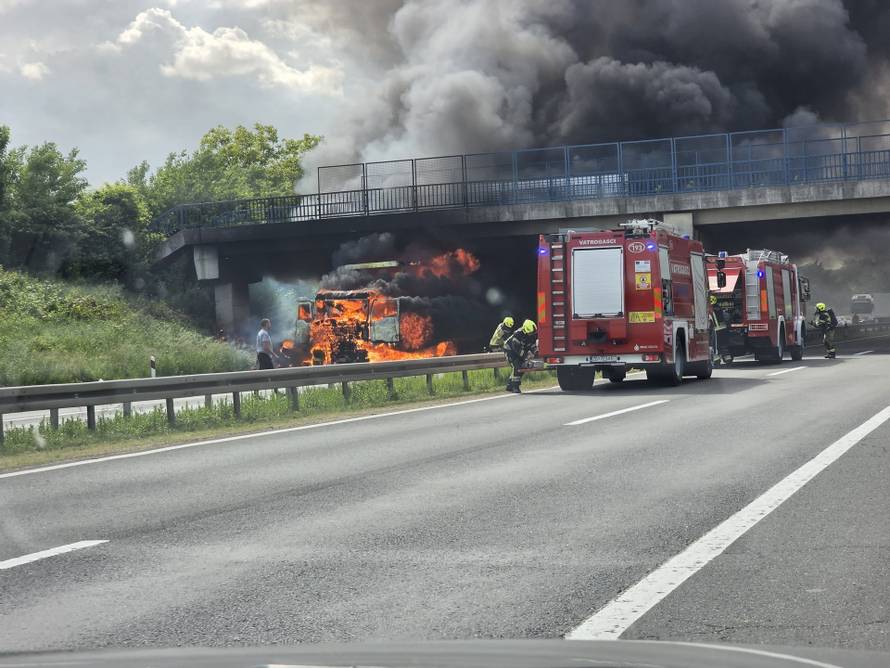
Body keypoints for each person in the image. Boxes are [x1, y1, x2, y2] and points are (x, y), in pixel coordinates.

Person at [503, 319, 537, 393]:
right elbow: (517, 349)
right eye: (530, 333)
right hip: (510, 350)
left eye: (533, 333)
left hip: (519, 350)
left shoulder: (531, 334)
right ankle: (515, 387)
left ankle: (509, 386)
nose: (531, 334)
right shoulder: (517, 335)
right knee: (517, 366)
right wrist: (525, 357)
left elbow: (532, 345)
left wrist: (535, 352)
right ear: (525, 330)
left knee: (522, 367)